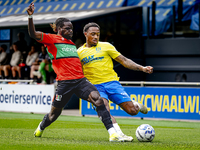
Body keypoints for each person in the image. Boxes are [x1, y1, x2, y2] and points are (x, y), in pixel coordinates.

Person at [27, 2, 127, 142]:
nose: (71, 31)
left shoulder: (72, 44)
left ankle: (112, 134)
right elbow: (33, 34)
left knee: (98, 100)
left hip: (80, 81)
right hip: (64, 83)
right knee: (53, 114)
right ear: (59, 29)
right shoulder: (51, 39)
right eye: (67, 29)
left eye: (72, 29)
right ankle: (41, 127)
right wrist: (30, 17)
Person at [77, 22, 154, 140]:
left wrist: (142, 68)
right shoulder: (79, 53)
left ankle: (136, 105)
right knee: (104, 108)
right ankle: (117, 134)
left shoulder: (106, 46)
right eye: (93, 34)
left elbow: (124, 60)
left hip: (112, 83)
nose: (96, 37)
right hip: (95, 87)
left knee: (132, 111)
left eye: (98, 34)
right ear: (85, 34)